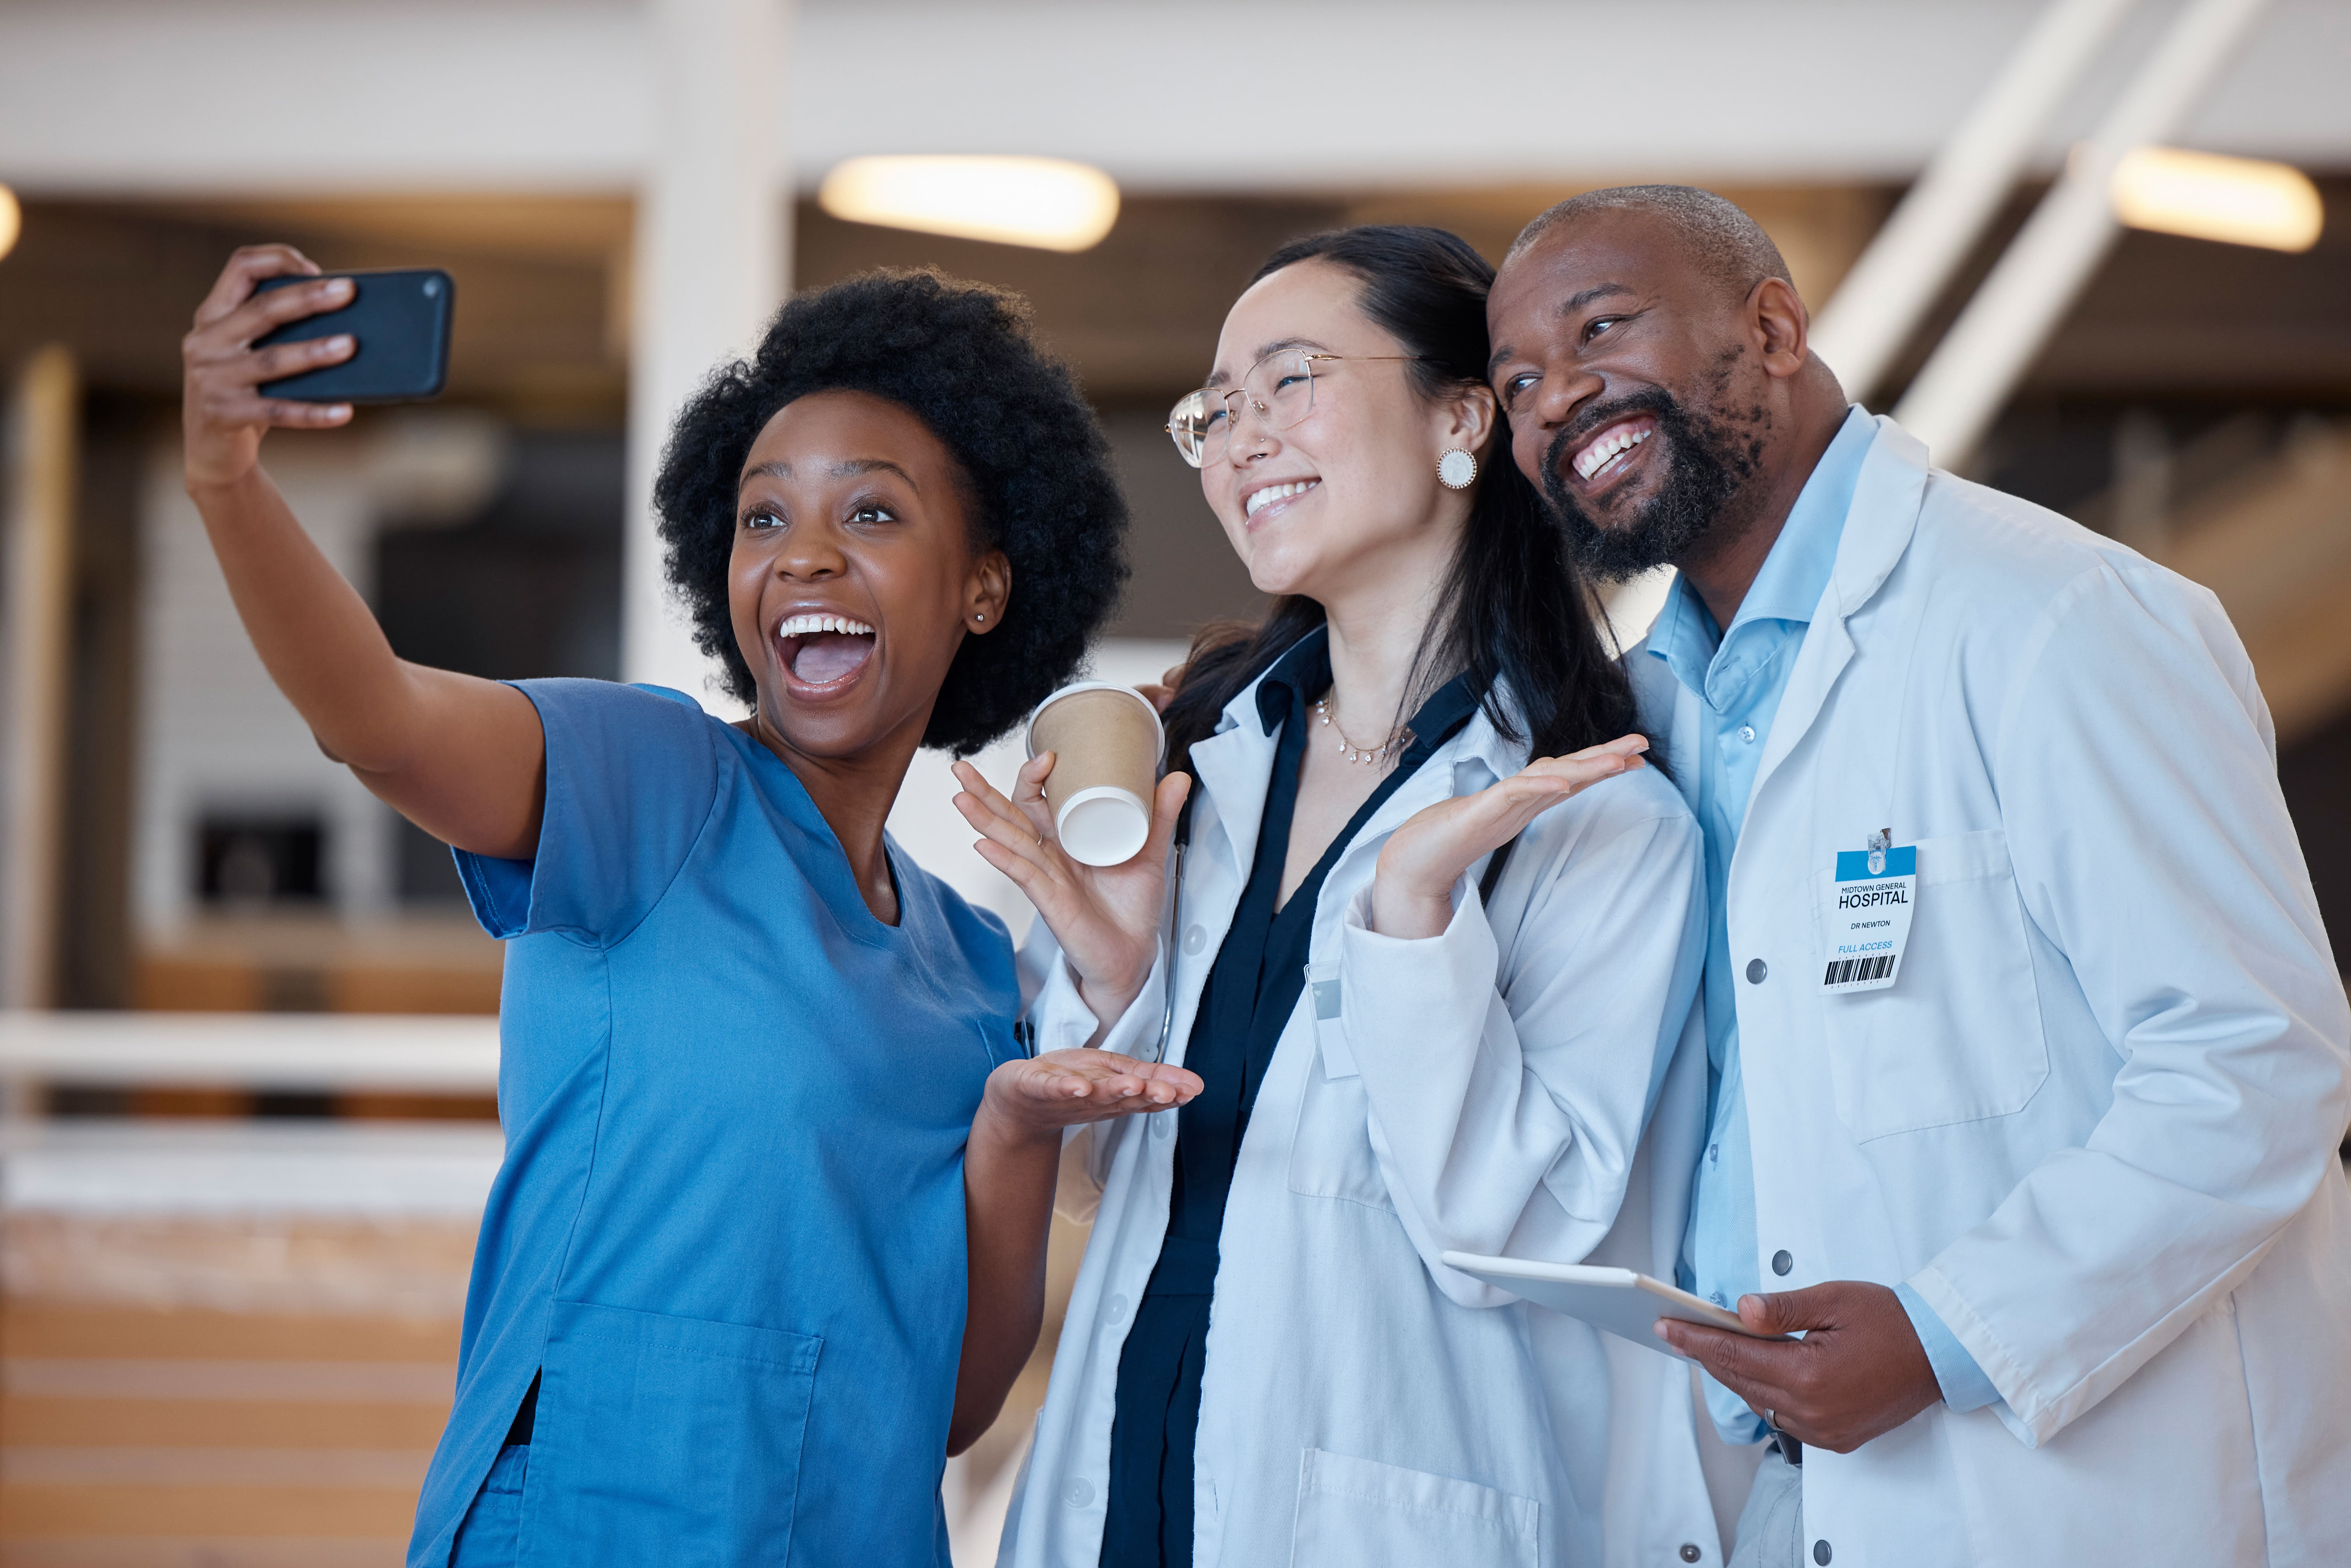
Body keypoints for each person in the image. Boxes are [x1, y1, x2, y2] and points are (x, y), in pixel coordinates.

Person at [179, 251, 1202, 1568]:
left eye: (874, 516)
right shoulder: (652, 781)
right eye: (762, 520)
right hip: (588, 1523)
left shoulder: (967, 961)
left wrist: (1014, 1128)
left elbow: (950, 1406)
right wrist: (226, 481)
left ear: (985, 586)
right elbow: (370, 718)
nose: (805, 557)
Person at [1485, 185, 2351, 1566]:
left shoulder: (2057, 621)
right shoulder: (1650, 715)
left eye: (1602, 329)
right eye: (1518, 383)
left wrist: (1950, 1334)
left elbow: (2254, 1060)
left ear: (1772, 325)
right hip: (1772, 1496)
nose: (1556, 401)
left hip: (2075, 1493)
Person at [959, 225, 1720, 1567]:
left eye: (1289, 380)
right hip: (1120, 1494)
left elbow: (1515, 1229)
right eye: (1216, 410)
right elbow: (1084, 1179)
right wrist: (1114, 978)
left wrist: (1417, 924)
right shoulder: (1187, 769)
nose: (1237, 438)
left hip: (1391, 1517)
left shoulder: (1601, 821)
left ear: (1464, 418)